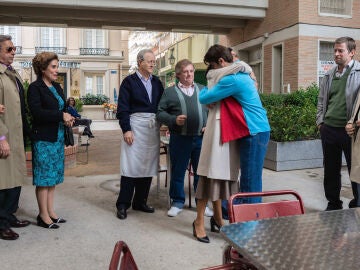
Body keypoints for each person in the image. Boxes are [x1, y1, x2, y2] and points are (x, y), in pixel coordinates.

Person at [193, 44, 270, 243]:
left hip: (254, 131)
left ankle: (250, 228)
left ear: (220, 62)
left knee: (250, 182)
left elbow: (203, 96)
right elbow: (240, 66)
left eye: (212, 65)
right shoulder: (240, 72)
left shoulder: (232, 79)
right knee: (245, 180)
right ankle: (232, 218)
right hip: (251, 129)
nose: (211, 70)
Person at [157, 59, 213, 217]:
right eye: (185, 71)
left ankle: (201, 204)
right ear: (178, 75)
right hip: (180, 138)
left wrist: (208, 124)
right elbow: (160, 113)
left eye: (191, 71)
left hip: (201, 139)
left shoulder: (203, 90)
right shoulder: (169, 92)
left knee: (201, 173)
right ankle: (177, 202)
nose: (189, 74)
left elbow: (212, 111)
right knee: (178, 171)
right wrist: (173, 120)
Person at [27, 52, 74, 229]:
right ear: (43, 69)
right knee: (43, 178)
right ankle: (43, 215)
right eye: (53, 67)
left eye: (57, 66)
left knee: (53, 177)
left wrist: (68, 115)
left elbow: (63, 107)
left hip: (57, 138)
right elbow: (37, 113)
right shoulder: (35, 88)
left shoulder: (57, 87)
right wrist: (61, 115)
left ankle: (51, 212)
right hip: (44, 139)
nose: (57, 70)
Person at [115, 49, 164, 220]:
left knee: (148, 165)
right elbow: (122, 108)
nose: (152, 64)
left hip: (152, 128)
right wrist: (126, 129)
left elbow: (162, 106)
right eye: (149, 61)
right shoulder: (128, 82)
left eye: (154, 61)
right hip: (134, 128)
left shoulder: (157, 82)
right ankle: (123, 204)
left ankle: (140, 201)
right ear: (139, 61)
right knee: (130, 167)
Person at [317, 36, 360, 210]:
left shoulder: (358, 72)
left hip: (351, 131)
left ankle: (357, 202)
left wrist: (356, 124)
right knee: (331, 170)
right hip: (329, 129)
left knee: (355, 168)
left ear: (352, 52)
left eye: (340, 50)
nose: (336, 54)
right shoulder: (329, 74)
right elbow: (321, 100)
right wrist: (321, 122)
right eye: (335, 50)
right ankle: (333, 202)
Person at [0, 34, 31, 240]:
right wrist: (1, 139)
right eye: (9, 49)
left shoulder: (12, 73)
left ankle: (9, 216)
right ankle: (1, 224)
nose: (13, 52)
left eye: (14, 48)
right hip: (5, 135)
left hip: (17, 133)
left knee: (16, 178)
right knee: (3, 181)